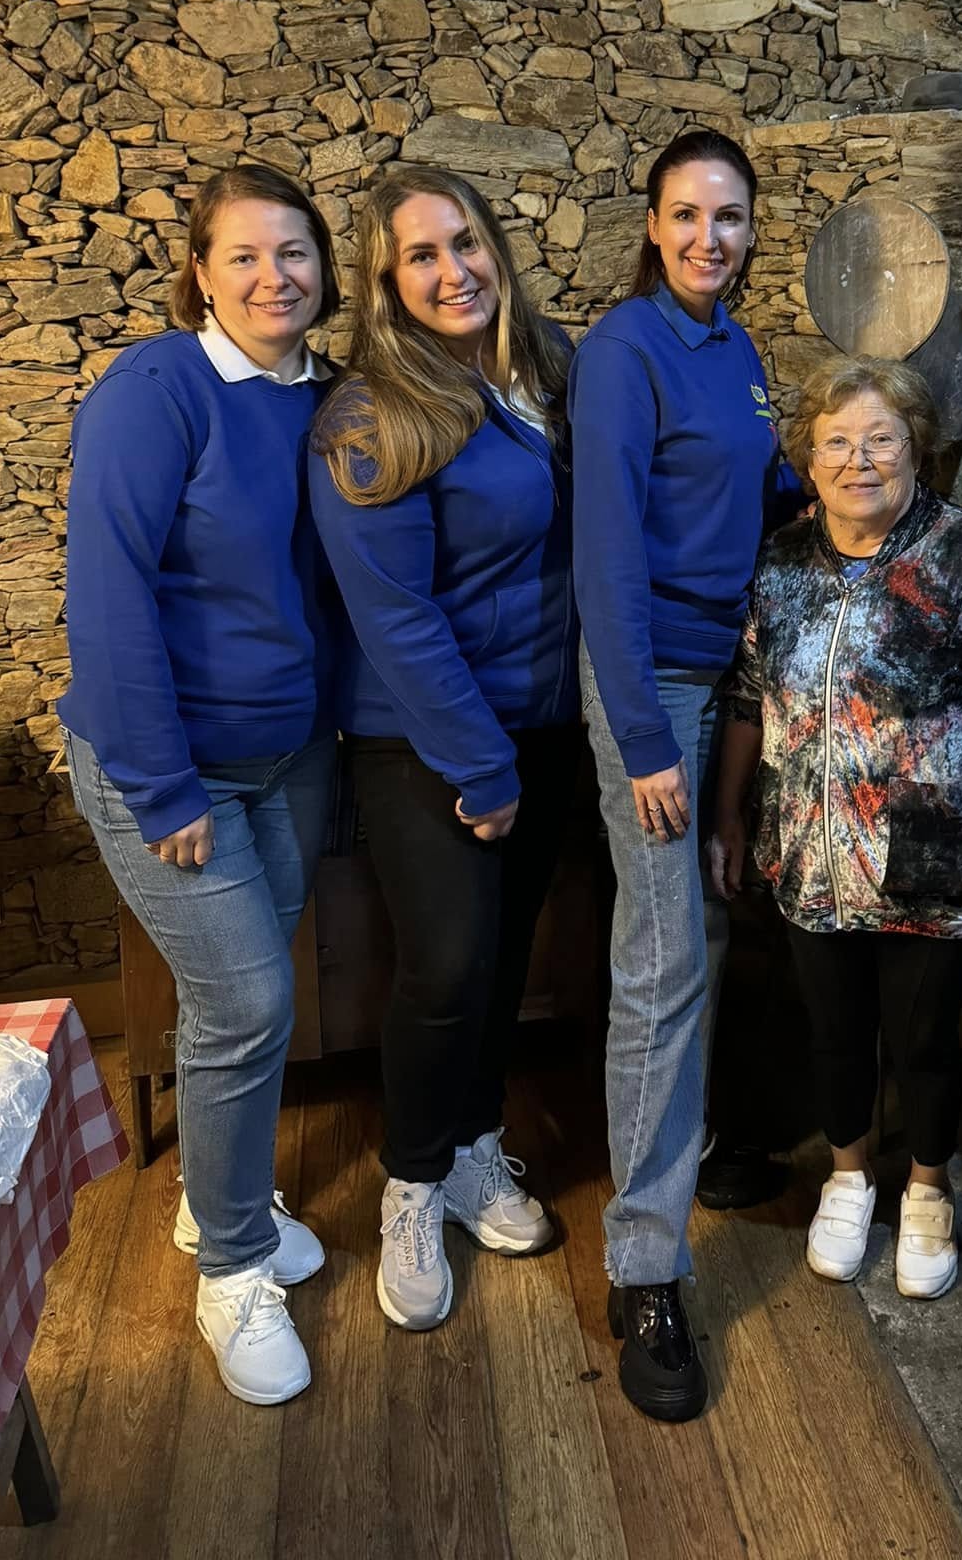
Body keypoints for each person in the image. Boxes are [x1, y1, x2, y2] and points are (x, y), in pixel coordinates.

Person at [59, 165, 340, 1406]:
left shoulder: (324, 395)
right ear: (202, 273)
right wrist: (164, 786)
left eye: (296, 251)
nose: (276, 275)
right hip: (168, 767)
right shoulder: (156, 390)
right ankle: (229, 1266)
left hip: (290, 755)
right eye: (245, 255)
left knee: (247, 1003)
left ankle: (216, 1201)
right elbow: (108, 595)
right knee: (248, 1000)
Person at [711, 356, 962, 1303]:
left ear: (916, 449)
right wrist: (728, 816)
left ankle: (926, 1190)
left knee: (924, 1042)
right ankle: (847, 1177)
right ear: (808, 459)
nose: (858, 459)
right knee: (835, 1034)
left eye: (881, 438)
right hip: (809, 856)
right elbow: (749, 696)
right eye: (836, 442)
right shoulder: (783, 562)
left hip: (930, 860)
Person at [309, 167, 576, 1332]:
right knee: (448, 962)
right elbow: (396, 617)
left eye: (465, 240)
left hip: (546, 719)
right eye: (420, 254)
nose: (453, 269)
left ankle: (472, 1145)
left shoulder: (544, 371)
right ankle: (411, 1186)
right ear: (385, 281)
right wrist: (482, 763)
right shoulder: (369, 415)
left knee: (506, 954)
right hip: (425, 736)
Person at [569, 127, 799, 1423]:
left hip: (729, 671)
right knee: (661, 961)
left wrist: (843, 476)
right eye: (688, 215)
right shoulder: (624, 351)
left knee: (703, 926)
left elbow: (759, 485)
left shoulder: (739, 350)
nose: (710, 237)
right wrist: (646, 741)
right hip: (650, 680)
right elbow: (604, 551)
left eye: (730, 217)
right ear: (653, 228)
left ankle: (687, 1146)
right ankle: (645, 1268)